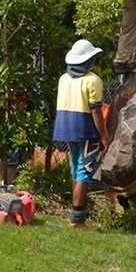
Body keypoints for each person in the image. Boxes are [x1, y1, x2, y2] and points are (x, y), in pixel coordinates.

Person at [52, 38, 107, 227]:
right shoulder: (93, 80)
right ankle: (77, 219)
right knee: (85, 171)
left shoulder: (63, 78)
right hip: (85, 128)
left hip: (65, 127)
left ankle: (75, 214)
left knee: (76, 168)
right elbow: (96, 111)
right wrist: (103, 135)